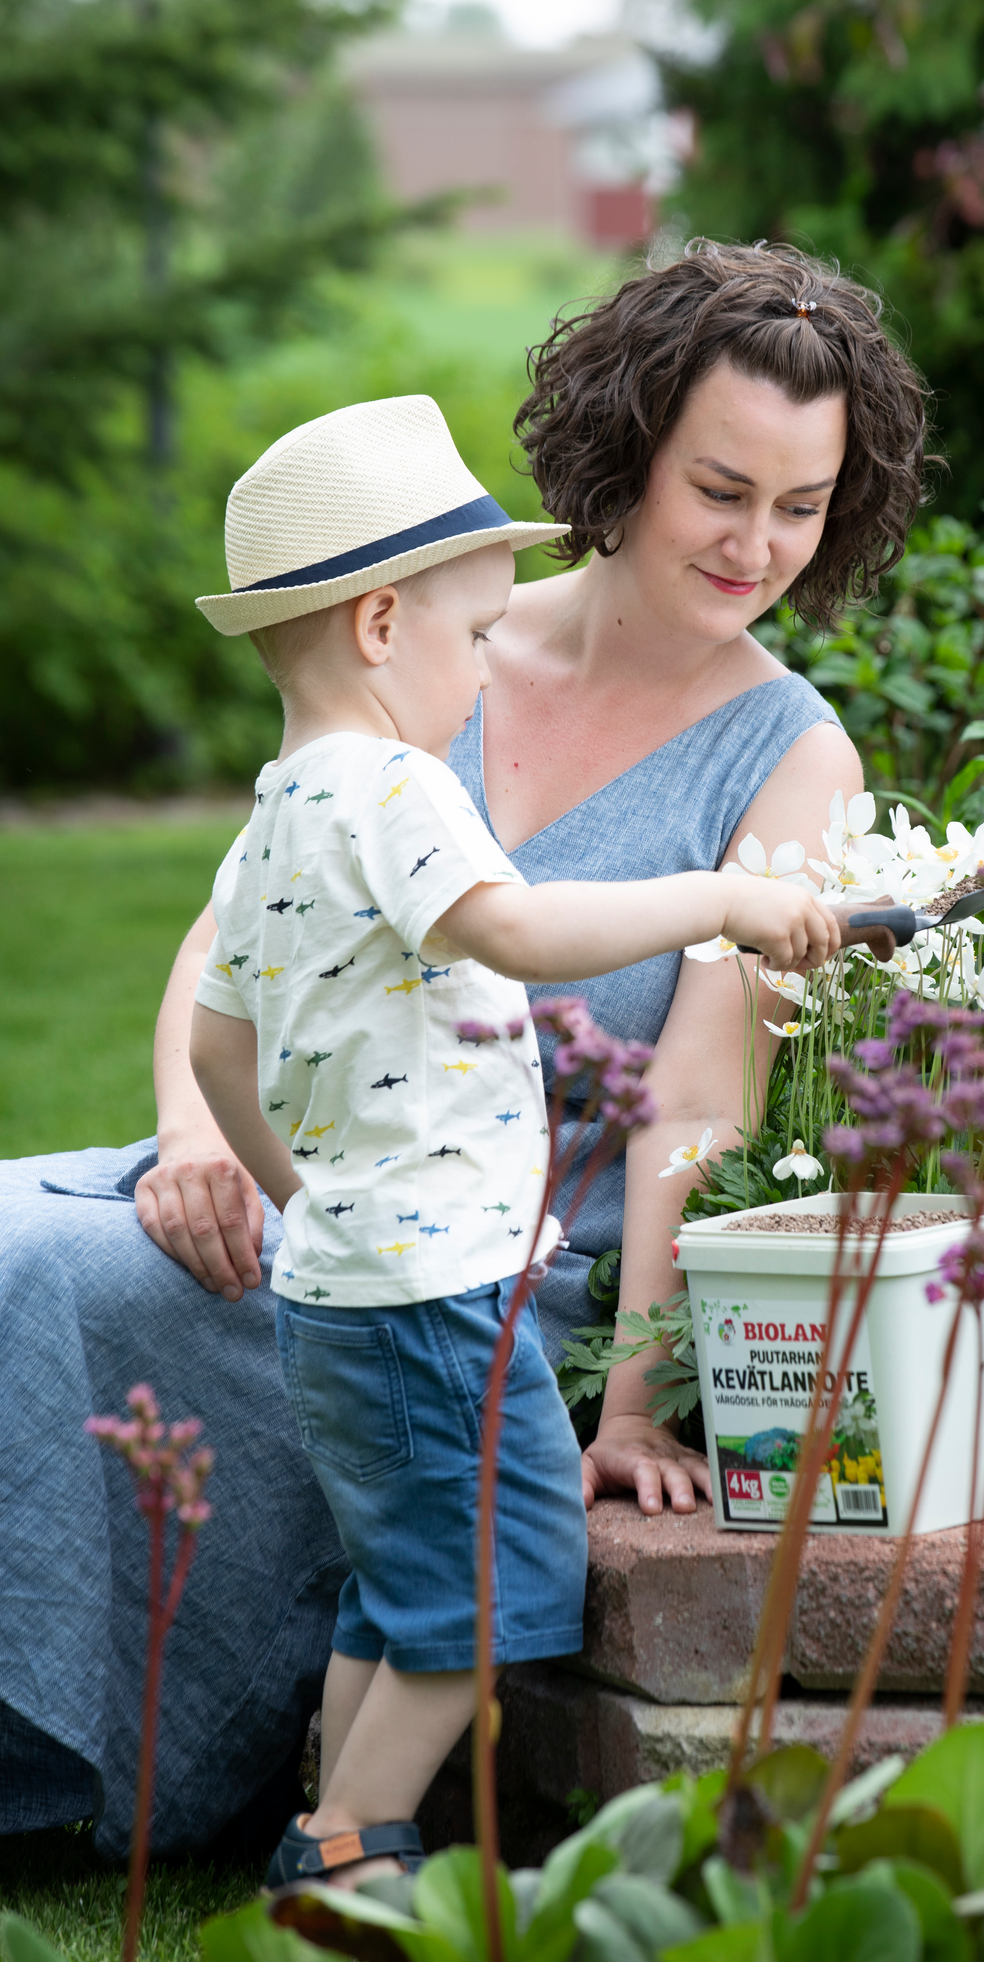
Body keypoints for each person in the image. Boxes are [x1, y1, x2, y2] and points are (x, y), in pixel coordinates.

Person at [0, 239, 927, 1854]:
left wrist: (630, 1398)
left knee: (56, 1289)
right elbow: (236, 940)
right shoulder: (437, 640)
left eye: (804, 504)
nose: (759, 545)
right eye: (722, 487)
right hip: (300, 1182)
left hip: (479, 1263)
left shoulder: (792, 760)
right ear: (628, 445)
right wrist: (200, 1137)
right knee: (18, 1247)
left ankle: (156, 1785)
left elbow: (694, 1106)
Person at [185, 392, 837, 1885]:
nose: (488, 670)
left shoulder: (279, 810)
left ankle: (329, 1822)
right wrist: (721, 902)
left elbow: (223, 1046)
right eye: (473, 639)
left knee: (399, 1579)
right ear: (378, 624)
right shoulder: (401, 788)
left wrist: (305, 1193)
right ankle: (352, 1851)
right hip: (436, 1295)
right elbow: (521, 928)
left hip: (346, 1279)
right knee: (492, 1579)